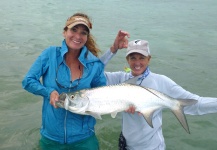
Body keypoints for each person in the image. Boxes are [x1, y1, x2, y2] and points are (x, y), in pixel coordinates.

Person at [22, 12, 129, 150]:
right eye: (73, 30)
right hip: (51, 138)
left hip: (84, 138)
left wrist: (125, 104)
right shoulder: (50, 54)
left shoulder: (94, 65)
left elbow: (103, 95)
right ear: (64, 32)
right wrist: (49, 92)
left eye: (83, 33)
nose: (78, 36)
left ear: (87, 37)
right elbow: (28, 81)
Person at [100, 39, 217, 150]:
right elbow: (93, 73)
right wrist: (113, 49)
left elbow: (197, 103)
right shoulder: (120, 79)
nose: (137, 63)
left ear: (149, 59)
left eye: (142, 58)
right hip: (126, 145)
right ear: (127, 60)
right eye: (133, 58)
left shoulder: (161, 81)